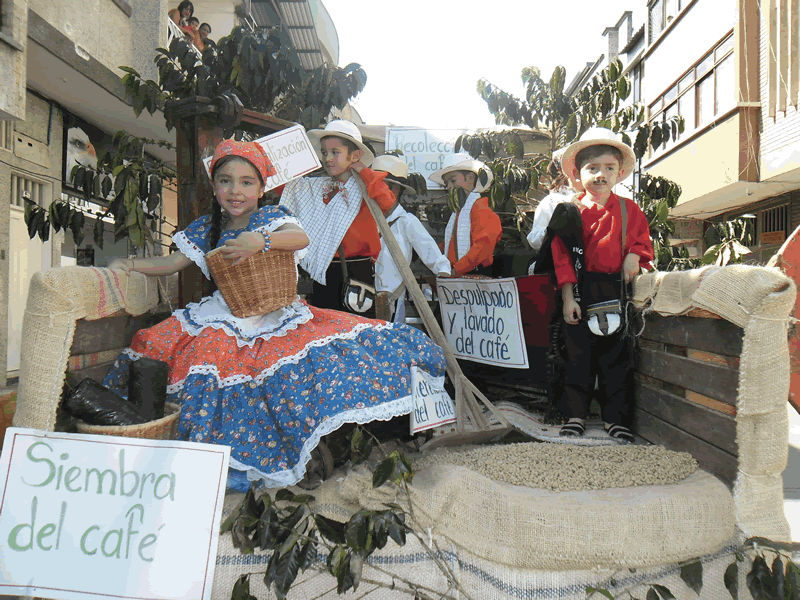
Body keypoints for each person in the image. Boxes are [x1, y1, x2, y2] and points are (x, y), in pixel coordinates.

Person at [103, 139, 446, 489]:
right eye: (225, 181)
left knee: (303, 373)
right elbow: (173, 262)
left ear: (261, 187)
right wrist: (129, 264)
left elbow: (300, 238)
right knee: (209, 371)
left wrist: (261, 241)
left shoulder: (271, 217)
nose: (235, 191)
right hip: (224, 314)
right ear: (215, 185)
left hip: (276, 312)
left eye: (246, 182)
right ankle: (219, 458)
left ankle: (321, 441)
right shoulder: (207, 228)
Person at [537, 127, 653, 443]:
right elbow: (560, 257)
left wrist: (634, 256)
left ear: (619, 173)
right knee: (576, 357)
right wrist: (567, 297)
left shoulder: (631, 210)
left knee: (617, 359)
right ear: (578, 173)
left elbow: (643, 242)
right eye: (592, 168)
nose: (600, 175)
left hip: (616, 292)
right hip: (579, 290)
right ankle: (574, 414)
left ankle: (615, 419)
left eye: (608, 168)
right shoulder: (569, 211)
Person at [279, 120, 397, 317]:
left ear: (355, 156)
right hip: (322, 269)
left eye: (335, 152)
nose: (328, 159)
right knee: (325, 330)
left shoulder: (366, 187)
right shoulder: (316, 187)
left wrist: (363, 171)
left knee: (357, 329)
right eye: (325, 153)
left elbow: (387, 202)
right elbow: (286, 189)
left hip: (356, 268)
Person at [371, 155, 451, 322]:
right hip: (362, 296)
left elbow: (429, 250)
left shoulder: (406, 222)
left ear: (396, 190)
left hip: (392, 298)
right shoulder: (365, 219)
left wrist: (443, 273)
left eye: (385, 187)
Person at [430, 153, 502, 277]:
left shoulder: (482, 212)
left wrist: (456, 271)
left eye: (452, 180)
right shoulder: (459, 213)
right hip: (460, 275)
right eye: (446, 184)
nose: (449, 187)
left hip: (474, 276)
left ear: (470, 178)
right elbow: (450, 243)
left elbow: (482, 247)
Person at [526, 147, 574, 274]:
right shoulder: (552, 201)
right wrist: (553, 230)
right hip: (557, 271)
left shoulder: (592, 198)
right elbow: (534, 240)